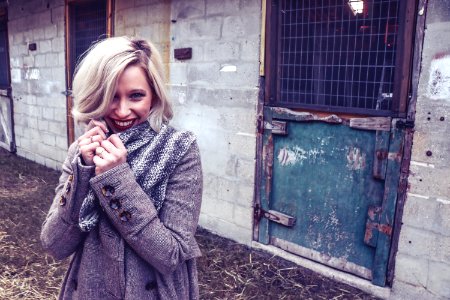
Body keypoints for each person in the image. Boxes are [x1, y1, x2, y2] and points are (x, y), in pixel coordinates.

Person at [40, 36, 203, 300]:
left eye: (136, 95)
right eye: (111, 97)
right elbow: (54, 244)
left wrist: (116, 180)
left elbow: (171, 254)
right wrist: (83, 171)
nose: (123, 111)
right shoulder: (81, 152)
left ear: (154, 96)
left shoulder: (179, 149)